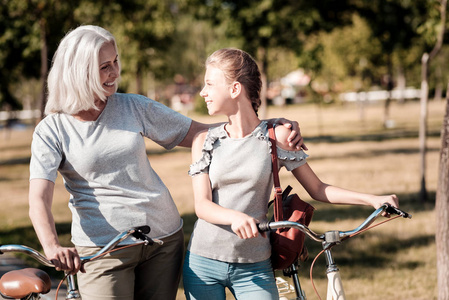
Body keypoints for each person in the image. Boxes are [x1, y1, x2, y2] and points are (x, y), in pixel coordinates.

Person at [28, 25, 304, 300]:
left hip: (163, 240)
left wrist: (267, 129)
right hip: (103, 249)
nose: (114, 73)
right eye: (104, 67)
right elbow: (39, 197)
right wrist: (52, 246)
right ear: (78, 71)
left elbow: (200, 131)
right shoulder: (52, 130)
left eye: (115, 62)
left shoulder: (132, 106)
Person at [182, 48, 400, 300]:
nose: (202, 92)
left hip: (254, 265)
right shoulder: (204, 141)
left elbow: (318, 189)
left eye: (209, 84)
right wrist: (234, 217)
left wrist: (372, 199)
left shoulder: (278, 137)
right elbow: (202, 205)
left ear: (235, 89)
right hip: (203, 263)